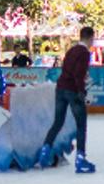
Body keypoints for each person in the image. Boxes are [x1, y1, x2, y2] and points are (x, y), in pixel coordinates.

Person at [36, 27, 96, 173]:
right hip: (73, 91)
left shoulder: (71, 50)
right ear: (89, 38)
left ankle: (45, 150)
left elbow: (67, 70)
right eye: (93, 39)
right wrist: (81, 91)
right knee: (81, 125)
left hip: (60, 88)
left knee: (58, 121)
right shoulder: (84, 53)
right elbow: (78, 74)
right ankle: (81, 159)